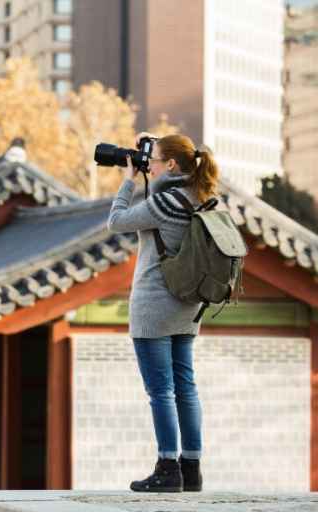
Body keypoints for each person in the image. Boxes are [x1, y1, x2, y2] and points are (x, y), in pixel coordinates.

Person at [106, 132, 220, 493]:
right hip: (189, 304)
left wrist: (127, 181)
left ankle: (167, 467)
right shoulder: (203, 197)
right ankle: (191, 468)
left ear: (170, 164)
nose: (147, 164)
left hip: (155, 305)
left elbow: (117, 221)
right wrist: (149, 178)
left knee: (161, 392)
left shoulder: (164, 202)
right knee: (186, 388)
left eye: (152, 159)